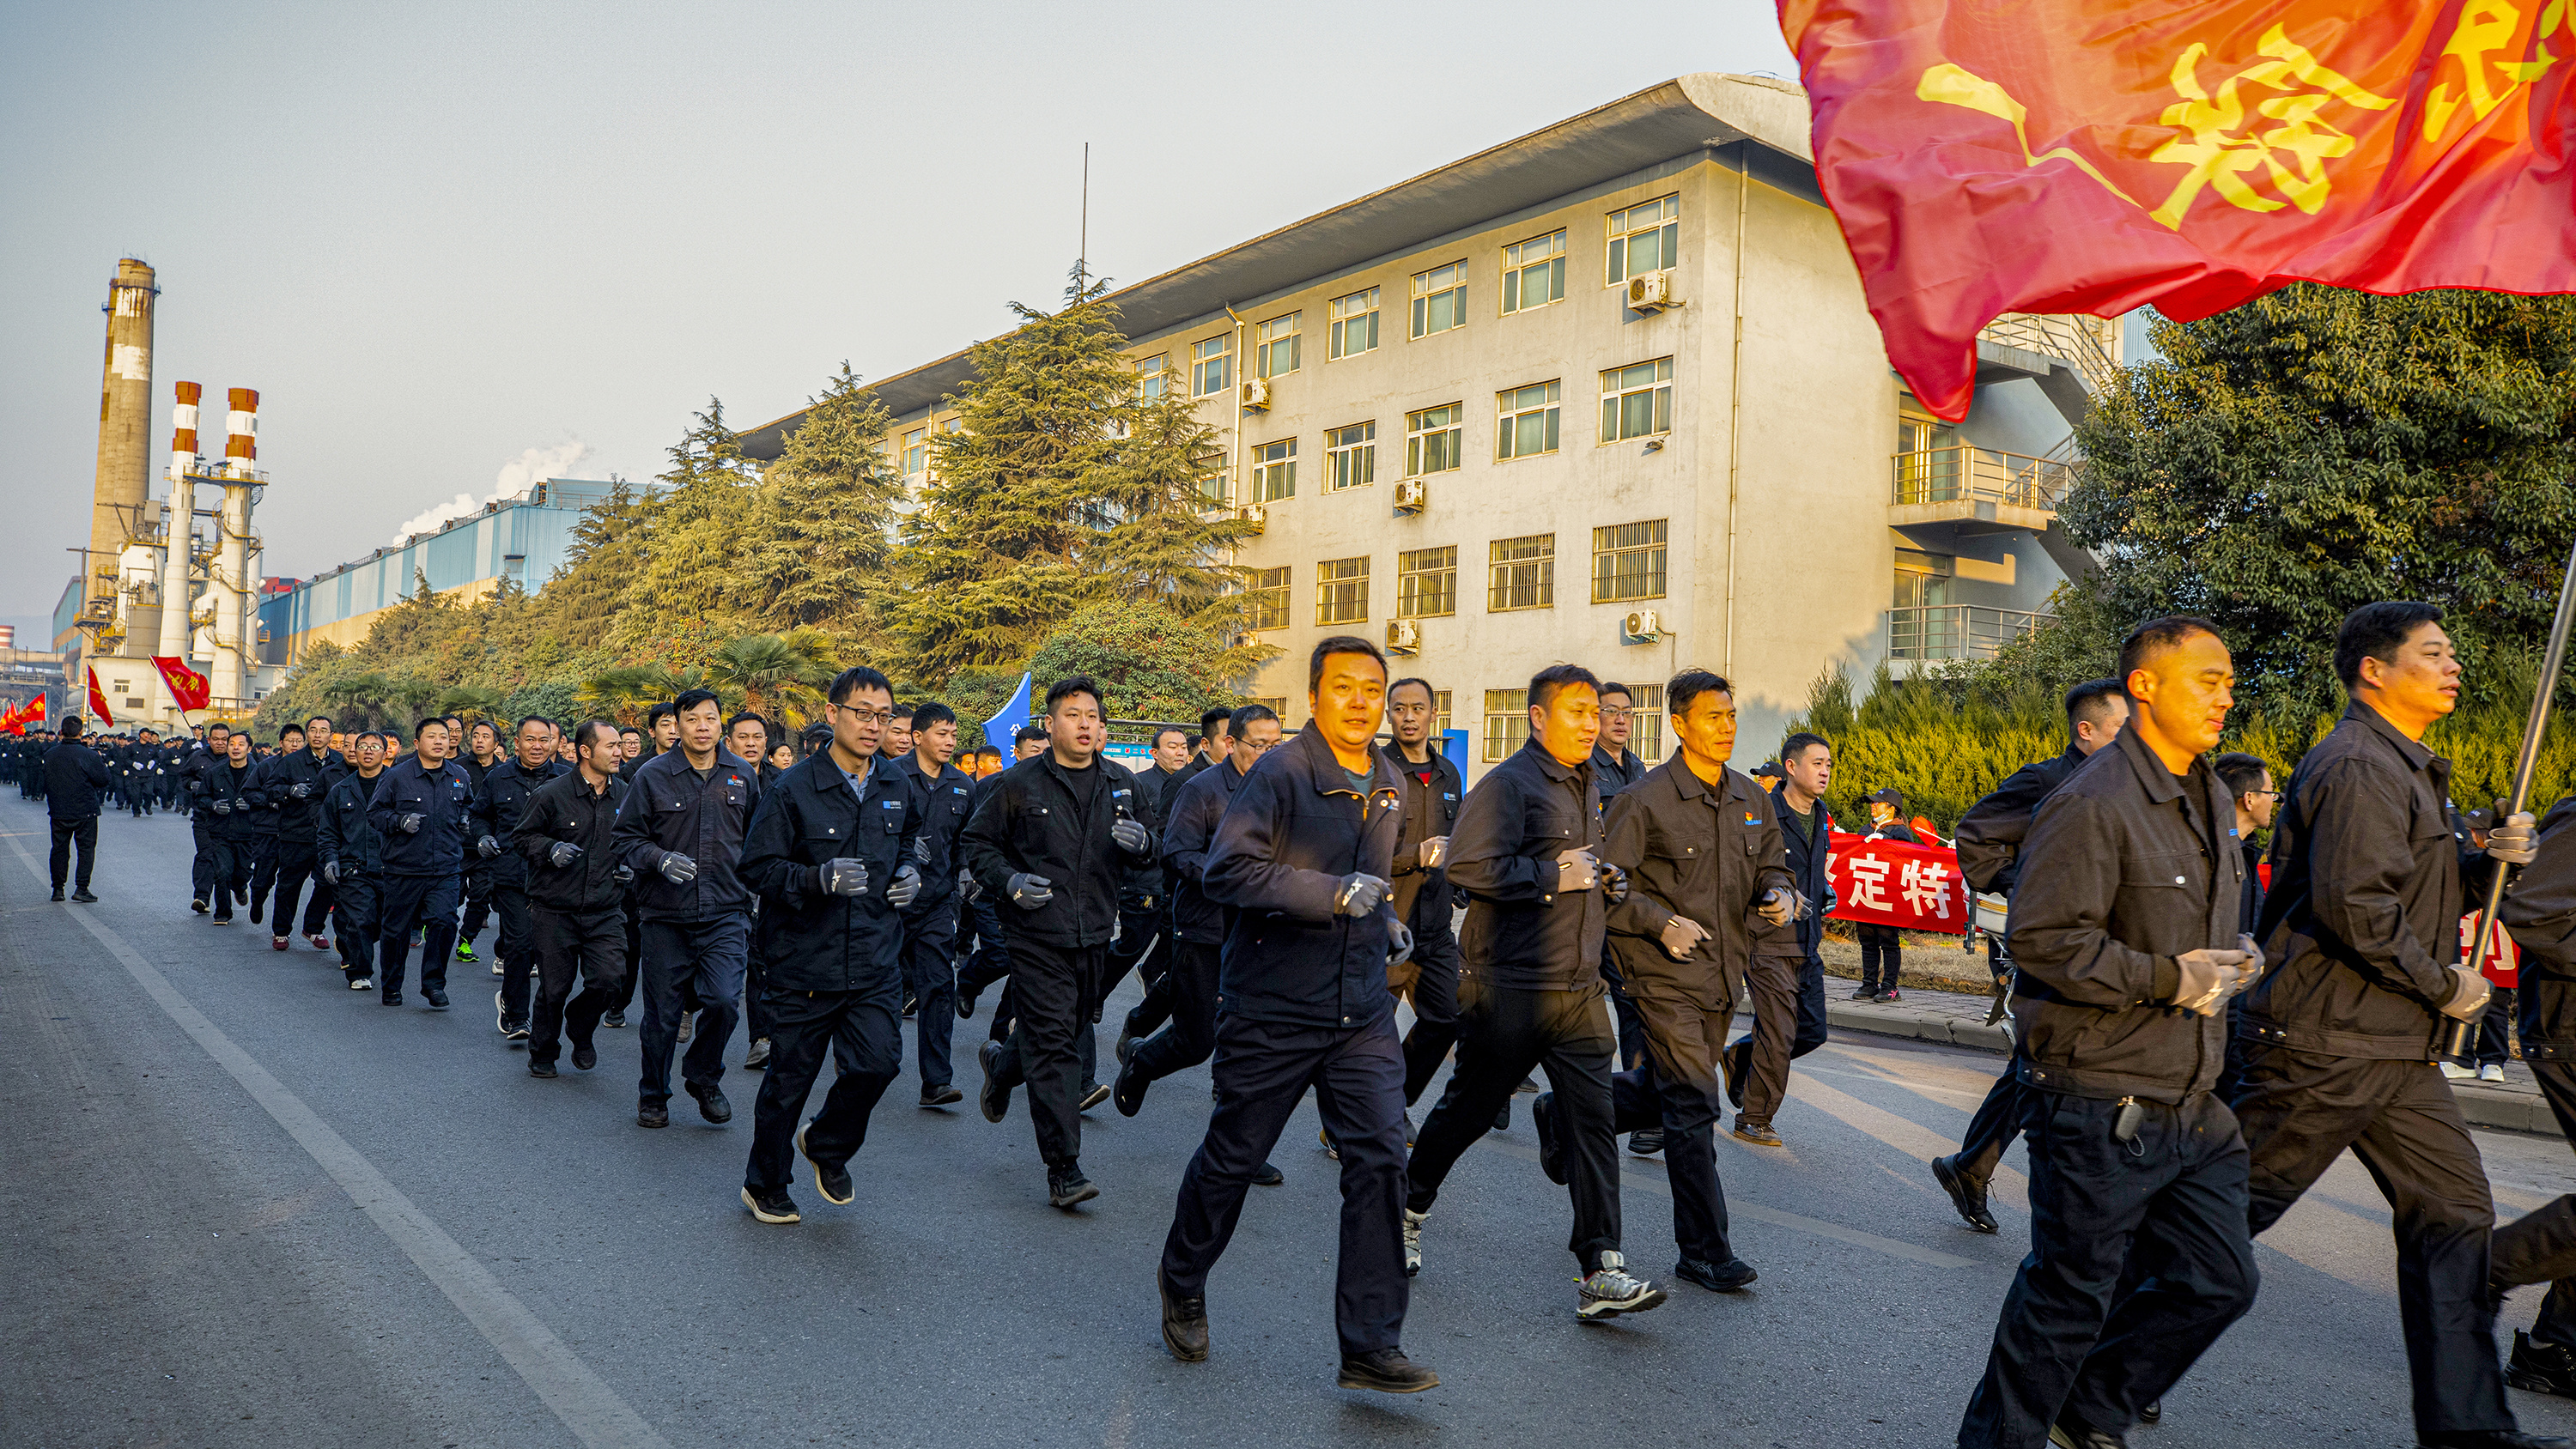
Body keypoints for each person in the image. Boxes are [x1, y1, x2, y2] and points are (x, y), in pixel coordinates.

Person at [2224, 602, 2553, 1449]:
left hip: (2390, 1046)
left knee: (2455, 1214)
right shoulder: (2360, 763)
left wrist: (2489, 863)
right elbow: (2353, 905)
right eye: (2433, 652)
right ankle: (2095, 1375)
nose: (2452, 665)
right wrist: (2447, 983)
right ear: (2375, 668)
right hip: (2323, 1038)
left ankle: (2469, 1427)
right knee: (2222, 1225)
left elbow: (2410, 882)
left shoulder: (2407, 768)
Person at [1956, 616, 2262, 1449]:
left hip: (2192, 1096)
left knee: (2220, 1279)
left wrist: (2238, 957)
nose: (2225, 694)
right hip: (2100, 1094)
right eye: (2206, 677)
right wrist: (2174, 976)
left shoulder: (2205, 793)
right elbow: (2045, 940)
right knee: (2068, 1293)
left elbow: (2195, 922)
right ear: (2146, 686)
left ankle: (2087, 1410)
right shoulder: (2092, 800)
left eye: (2228, 679)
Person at [1156, 636, 1437, 1394]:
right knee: (1234, 1158)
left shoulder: (1387, 778)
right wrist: (1335, 895)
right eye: (1343, 687)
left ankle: (1371, 1344)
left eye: (1372, 689)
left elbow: (1371, 882)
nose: (1361, 701)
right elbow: (1227, 870)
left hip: (1361, 1012)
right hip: (1273, 1009)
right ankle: (1181, 1279)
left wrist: (1383, 923)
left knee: (1381, 1160)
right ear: (1314, 696)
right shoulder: (1281, 772)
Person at [1404, 664, 1669, 1322]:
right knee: (1467, 1111)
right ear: (1538, 716)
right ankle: (1406, 1204)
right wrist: (1555, 873)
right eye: (1577, 712)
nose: (1591, 724)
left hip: (1579, 988)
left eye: (1597, 712)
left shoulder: (1588, 783)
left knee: (1594, 1122)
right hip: (1510, 987)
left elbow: (1584, 870)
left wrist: (1601, 880)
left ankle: (1601, 1267)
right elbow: (1468, 866)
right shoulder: (1509, 784)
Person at [1596, 669, 1795, 1294]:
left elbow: (1773, 867)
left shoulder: (1751, 797)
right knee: (1692, 1104)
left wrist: (1779, 895)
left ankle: (1569, 1113)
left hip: (1722, 974)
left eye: (1732, 715)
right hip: (1660, 975)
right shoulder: (1644, 799)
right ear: (1679, 725)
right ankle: (1705, 1251)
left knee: (1669, 1089)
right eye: (1714, 716)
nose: (1728, 726)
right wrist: (1658, 923)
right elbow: (1607, 886)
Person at [1933, 679, 2129, 1234]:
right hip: (2056, 949)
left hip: (2110, 951)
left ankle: (1971, 1166)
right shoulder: (2048, 780)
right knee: (2058, 1068)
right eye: (2122, 729)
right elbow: (1976, 833)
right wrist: (2030, 883)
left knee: (2038, 1066)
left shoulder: (2128, 783)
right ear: (2086, 732)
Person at [731, 668, 925, 1223]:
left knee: (880, 1064)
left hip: (875, 957)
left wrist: (910, 870)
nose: (873, 725)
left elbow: (910, 840)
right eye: (862, 712)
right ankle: (763, 1183)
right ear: (834, 711)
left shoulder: (895, 783)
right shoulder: (793, 788)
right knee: (787, 1083)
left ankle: (826, 1145)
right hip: (803, 962)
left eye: (884, 716)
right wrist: (817, 879)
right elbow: (757, 868)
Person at [961, 676, 1157, 1207]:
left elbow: (1153, 843)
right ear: (1051, 725)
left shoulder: (1121, 783)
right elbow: (976, 843)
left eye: (1093, 715)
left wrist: (1143, 844)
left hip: (1094, 931)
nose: (1085, 724)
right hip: (1032, 932)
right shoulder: (1019, 783)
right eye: (1073, 715)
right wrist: (1010, 881)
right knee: (1055, 1047)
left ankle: (1001, 1069)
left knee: (1065, 1027)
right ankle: (1064, 1168)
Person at [1113, 703, 1286, 1187]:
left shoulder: (1283, 791)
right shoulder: (1202, 790)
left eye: (1278, 745)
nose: (1271, 754)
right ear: (1231, 743)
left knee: (1252, 1045)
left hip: (1263, 932)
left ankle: (1239, 1151)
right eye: (1260, 745)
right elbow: (1177, 853)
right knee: (1197, 1040)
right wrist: (1231, 877)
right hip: (1206, 929)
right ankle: (1143, 1060)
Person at [614, 688, 762, 1129]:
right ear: (676, 726)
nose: (702, 727)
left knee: (723, 1002)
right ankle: (653, 1095)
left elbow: (758, 840)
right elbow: (624, 840)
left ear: (721, 725)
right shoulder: (652, 775)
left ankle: (703, 1077)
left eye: (710, 719)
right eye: (692, 719)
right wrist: (658, 859)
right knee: (662, 1015)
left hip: (727, 912)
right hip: (665, 915)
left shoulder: (743, 775)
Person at [1724, 731, 1836, 1149]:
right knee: (1780, 1031)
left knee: (1811, 1031)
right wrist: (1773, 895)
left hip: (1807, 939)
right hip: (1766, 939)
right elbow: (1738, 871)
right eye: (1816, 763)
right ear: (1791, 767)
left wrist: (1821, 892)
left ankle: (1739, 1058)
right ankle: (1754, 1117)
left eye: (1828, 764)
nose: (1825, 771)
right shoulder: (1760, 814)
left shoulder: (1821, 815)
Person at [509, 718, 633, 1075]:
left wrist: (631, 866)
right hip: (554, 910)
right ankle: (544, 1052)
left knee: (610, 979)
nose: (618, 752)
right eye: (610, 746)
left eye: (619, 745)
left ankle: (581, 1026)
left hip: (606, 909)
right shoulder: (551, 793)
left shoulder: (625, 794)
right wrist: (550, 848)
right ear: (585, 751)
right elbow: (521, 838)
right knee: (555, 988)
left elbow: (636, 840)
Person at [1381, 678, 1466, 1119]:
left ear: (1434, 713)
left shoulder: (1449, 773)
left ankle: (1391, 1107)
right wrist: (1416, 854)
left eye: (1417, 708)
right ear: (1388, 714)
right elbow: (1362, 850)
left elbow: (1459, 837)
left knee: (1447, 1018)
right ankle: (1360, 1119)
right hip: (1389, 924)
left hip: (1436, 925)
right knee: (1369, 1035)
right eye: (1398, 709)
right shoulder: (1378, 771)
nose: (1408, 716)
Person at [894, 700, 973, 1106]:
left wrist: (965, 870)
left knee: (939, 988)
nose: (949, 741)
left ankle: (937, 1081)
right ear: (917, 737)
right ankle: (863, 1059)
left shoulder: (962, 784)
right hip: (889, 903)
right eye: (942, 734)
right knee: (880, 986)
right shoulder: (890, 777)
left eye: (954, 735)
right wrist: (901, 850)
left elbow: (965, 839)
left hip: (938, 903)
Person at [368, 717, 475, 1009]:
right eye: (432, 737)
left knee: (444, 922)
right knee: (396, 930)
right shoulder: (397, 776)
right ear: (417, 743)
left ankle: (433, 985)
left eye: (444, 736)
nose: (439, 741)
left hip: (446, 868)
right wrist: (399, 821)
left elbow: (469, 804)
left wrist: (466, 819)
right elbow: (374, 814)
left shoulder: (459, 775)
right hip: (403, 868)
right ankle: (391, 986)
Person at [471, 716, 565, 1042]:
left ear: (553, 742)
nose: (537, 746)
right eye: (530, 740)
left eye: (544, 740)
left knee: (548, 951)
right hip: (511, 874)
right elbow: (478, 815)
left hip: (555, 878)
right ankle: (518, 1017)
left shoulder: (568, 778)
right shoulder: (498, 778)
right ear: (516, 743)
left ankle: (526, 1008)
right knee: (520, 945)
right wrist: (482, 838)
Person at [2213, 751, 2276, 1100]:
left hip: (2238, 1011)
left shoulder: (2245, 850)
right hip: (2220, 1009)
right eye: (2271, 794)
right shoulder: (2218, 852)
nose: (2275, 802)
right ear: (2249, 798)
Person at [251, 718, 343, 953]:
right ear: (307, 734)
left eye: (323, 731)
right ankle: (281, 931)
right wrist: (289, 791)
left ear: (331, 735)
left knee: (327, 883)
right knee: (289, 885)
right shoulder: (291, 761)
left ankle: (313, 927)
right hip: (295, 833)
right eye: (313, 730)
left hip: (328, 836)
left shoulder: (340, 762)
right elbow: (269, 789)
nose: (318, 735)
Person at [316, 730, 389, 990]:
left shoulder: (397, 785)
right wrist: (330, 860)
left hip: (390, 869)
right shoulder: (340, 790)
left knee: (382, 923)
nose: (368, 751)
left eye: (375, 746)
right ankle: (360, 972)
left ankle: (350, 941)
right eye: (363, 746)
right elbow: (328, 831)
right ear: (353, 752)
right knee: (361, 920)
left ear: (386, 752)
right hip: (353, 869)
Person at [1853, 786, 1921, 1003]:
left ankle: (1890, 987)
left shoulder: (1900, 832)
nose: (1873, 806)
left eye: (1877, 803)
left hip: (1887, 895)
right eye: (1872, 802)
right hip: (1865, 891)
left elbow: (1907, 862)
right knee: (1867, 939)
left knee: (1888, 940)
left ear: (1891, 809)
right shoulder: (1866, 829)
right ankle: (1869, 984)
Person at [43, 714, 113, 902]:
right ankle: (81, 888)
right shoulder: (89, 755)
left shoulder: (50, 754)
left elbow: (44, 781)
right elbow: (104, 780)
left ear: (61, 732)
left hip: (58, 809)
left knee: (59, 849)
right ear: (81, 733)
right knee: (86, 850)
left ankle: (58, 889)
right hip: (85, 810)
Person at [454, 718, 504, 967]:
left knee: (480, 896)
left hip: (486, 847)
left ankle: (466, 940)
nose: (479, 740)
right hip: (457, 845)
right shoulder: (456, 768)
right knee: (453, 895)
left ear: (497, 743)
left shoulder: (504, 772)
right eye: (475, 736)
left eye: (486, 736)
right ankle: (434, 926)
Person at [200, 730, 262, 925]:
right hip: (221, 832)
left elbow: (268, 797)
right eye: (232, 744)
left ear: (249, 748)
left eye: (241, 744)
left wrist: (253, 803)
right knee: (222, 871)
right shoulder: (215, 773)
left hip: (248, 833)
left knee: (242, 872)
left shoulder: (258, 772)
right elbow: (201, 797)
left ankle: (240, 886)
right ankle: (223, 913)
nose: (236, 748)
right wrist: (213, 805)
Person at [183, 722, 234, 911]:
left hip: (230, 819)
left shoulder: (239, 758)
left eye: (224, 739)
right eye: (216, 739)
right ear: (208, 740)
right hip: (204, 816)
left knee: (228, 861)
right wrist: (191, 785)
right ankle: (202, 897)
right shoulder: (197, 757)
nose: (220, 743)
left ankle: (237, 886)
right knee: (205, 855)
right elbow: (184, 777)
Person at [1175, 706, 1231, 790]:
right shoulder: (1184, 781)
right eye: (1227, 741)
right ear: (1205, 744)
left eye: (1238, 740)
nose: (1235, 746)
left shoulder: (1241, 775)